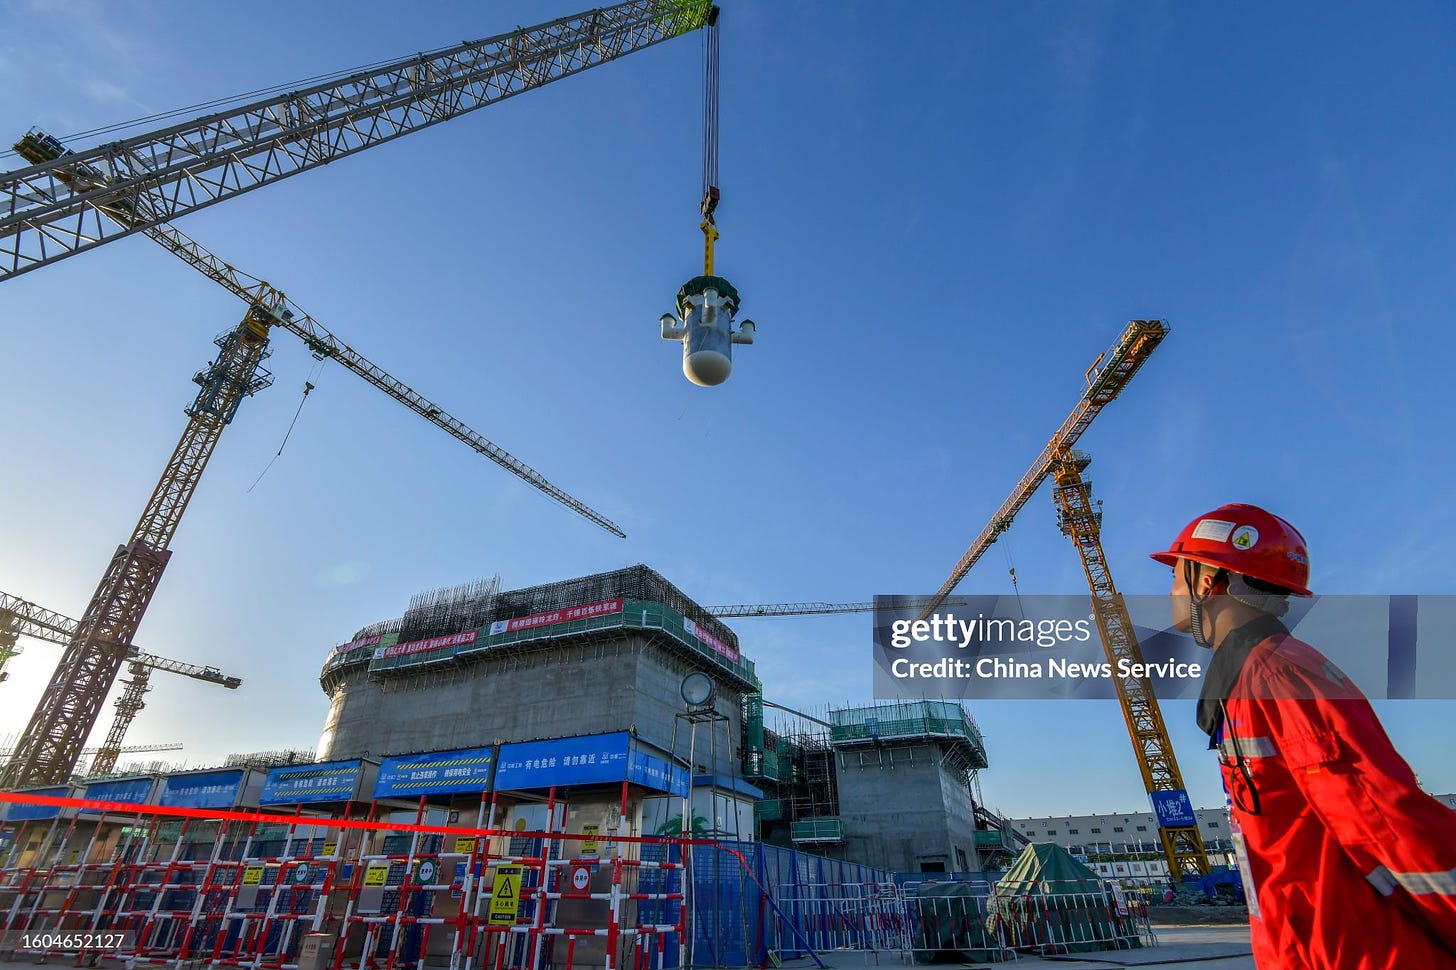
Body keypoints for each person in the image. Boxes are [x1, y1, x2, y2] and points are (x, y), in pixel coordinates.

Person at [1151, 503, 1456, 969]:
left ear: (1209, 580)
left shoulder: (1280, 677)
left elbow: (1388, 825)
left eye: (1176, 576)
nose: (1170, 591)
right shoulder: (1249, 683)